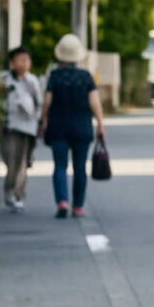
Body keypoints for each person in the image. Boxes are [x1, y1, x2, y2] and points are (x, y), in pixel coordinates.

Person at [37, 33, 104, 219]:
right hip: (81, 127)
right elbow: (95, 103)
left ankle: (62, 201)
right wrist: (100, 123)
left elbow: (47, 103)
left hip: (58, 126)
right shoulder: (86, 77)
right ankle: (78, 207)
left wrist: (44, 121)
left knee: (59, 165)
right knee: (80, 167)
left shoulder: (54, 77)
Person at [0, 47, 43, 211]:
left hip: (27, 127)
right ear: (12, 62)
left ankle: (17, 193)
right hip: (9, 126)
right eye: (21, 59)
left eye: (27, 60)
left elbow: (38, 103)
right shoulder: (4, 80)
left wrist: (38, 123)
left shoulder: (32, 81)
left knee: (23, 162)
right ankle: (9, 190)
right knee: (11, 160)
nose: (24, 63)